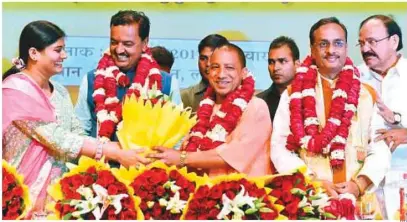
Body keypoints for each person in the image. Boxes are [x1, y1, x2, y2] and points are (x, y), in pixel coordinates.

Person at [2, 21, 144, 219]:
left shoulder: (59, 91)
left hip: (59, 198)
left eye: (64, 49)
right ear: (34, 53)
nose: (65, 56)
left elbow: (76, 132)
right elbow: (57, 138)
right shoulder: (16, 90)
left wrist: (118, 146)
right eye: (58, 50)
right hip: (24, 195)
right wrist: (112, 151)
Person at [270, 17, 391, 201]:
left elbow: (380, 146)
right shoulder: (294, 94)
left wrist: (359, 184)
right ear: (312, 49)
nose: (331, 50)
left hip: (359, 200)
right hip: (311, 198)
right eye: (323, 44)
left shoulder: (367, 95)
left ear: (346, 48)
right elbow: (280, 148)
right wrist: (312, 181)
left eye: (338, 43)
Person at [148, 43, 273, 178]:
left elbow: (231, 156)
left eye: (229, 68)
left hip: (241, 194)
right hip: (201, 192)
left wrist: (182, 158)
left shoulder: (256, 107)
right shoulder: (204, 110)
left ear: (243, 73)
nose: (221, 74)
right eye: (215, 67)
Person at [74, 10, 181, 142]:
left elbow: (176, 137)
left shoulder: (167, 83)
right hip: (98, 160)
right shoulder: (92, 79)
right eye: (114, 42)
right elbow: (79, 133)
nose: (119, 50)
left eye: (127, 44)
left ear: (145, 43)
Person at [358, 14, 407, 219]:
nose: (365, 49)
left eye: (372, 41)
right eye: (361, 43)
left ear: (394, 41)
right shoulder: (353, 78)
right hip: (367, 188)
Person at [180, 34, 228, 112]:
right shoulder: (185, 97)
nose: (208, 64)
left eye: (213, 58)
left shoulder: (241, 97)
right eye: (203, 58)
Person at [257, 36, 300, 122]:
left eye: (282, 61)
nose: (275, 68)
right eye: (271, 62)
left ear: (297, 64)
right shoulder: (259, 102)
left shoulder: (310, 98)